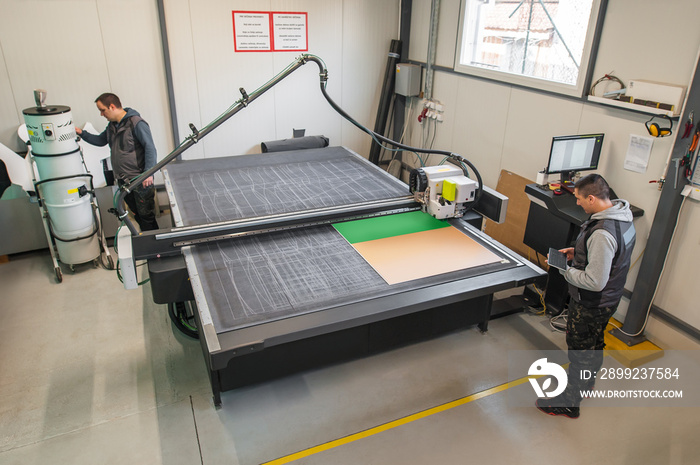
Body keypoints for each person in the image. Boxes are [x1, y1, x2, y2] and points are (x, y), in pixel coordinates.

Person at [537, 174, 636, 419]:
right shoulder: (622, 216)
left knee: (580, 351)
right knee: (594, 343)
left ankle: (570, 402)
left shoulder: (602, 233)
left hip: (592, 302)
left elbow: (594, 281)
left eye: (580, 199)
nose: (578, 203)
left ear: (592, 198)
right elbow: (612, 257)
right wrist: (577, 252)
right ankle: (587, 382)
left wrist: (565, 270)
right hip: (610, 299)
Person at [77, 93, 159, 231]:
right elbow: (100, 141)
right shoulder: (112, 126)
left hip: (139, 180)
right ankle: (146, 244)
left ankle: (156, 249)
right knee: (136, 215)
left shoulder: (136, 123)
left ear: (112, 106)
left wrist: (148, 173)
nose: (101, 114)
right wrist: (81, 133)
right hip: (123, 180)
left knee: (146, 216)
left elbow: (150, 148)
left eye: (102, 110)